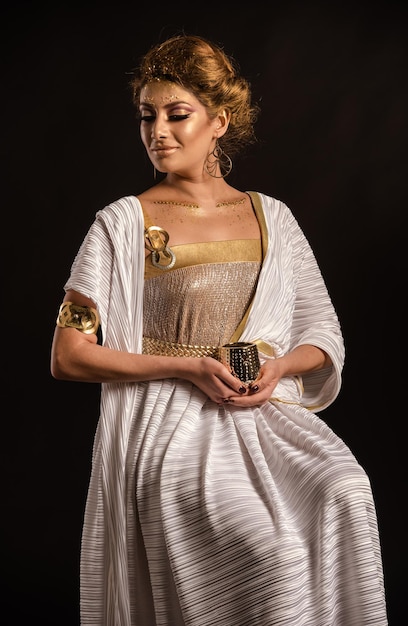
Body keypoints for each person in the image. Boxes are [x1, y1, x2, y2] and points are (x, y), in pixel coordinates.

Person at [50, 33, 388, 626]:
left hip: (259, 408)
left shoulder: (271, 218)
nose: (158, 131)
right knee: (274, 554)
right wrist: (187, 366)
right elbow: (70, 355)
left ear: (220, 122)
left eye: (177, 115)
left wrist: (278, 368)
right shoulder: (123, 225)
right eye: (147, 116)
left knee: (346, 491)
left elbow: (321, 332)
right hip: (169, 425)